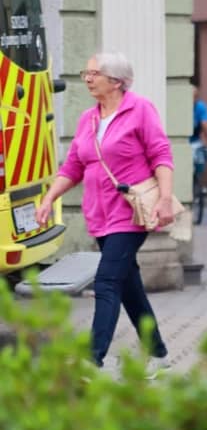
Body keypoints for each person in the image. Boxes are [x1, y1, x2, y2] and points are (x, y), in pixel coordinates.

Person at [35, 52, 175, 376]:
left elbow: (161, 155)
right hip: (99, 215)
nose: (87, 78)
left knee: (107, 281)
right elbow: (73, 166)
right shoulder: (88, 118)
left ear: (116, 81)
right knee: (128, 287)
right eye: (85, 72)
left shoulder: (140, 109)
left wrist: (166, 199)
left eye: (94, 73)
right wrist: (49, 198)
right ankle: (158, 355)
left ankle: (92, 360)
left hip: (130, 213)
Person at [191, 82, 207, 191]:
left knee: (201, 159)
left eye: (195, 97)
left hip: (196, 140)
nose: (193, 99)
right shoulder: (182, 106)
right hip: (185, 141)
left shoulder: (200, 107)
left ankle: (198, 182)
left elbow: (205, 124)